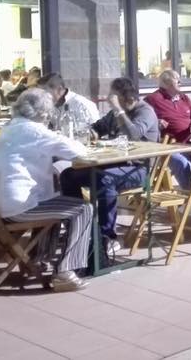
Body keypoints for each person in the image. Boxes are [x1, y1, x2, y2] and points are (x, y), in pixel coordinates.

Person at [0, 89, 91, 292]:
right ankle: (65, 272)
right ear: (44, 113)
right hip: (18, 207)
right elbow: (78, 151)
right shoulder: (33, 130)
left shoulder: (11, 127)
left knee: (53, 200)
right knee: (83, 209)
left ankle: (40, 258)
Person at [60, 78, 158, 254]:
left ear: (127, 98)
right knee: (69, 175)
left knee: (105, 179)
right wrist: (91, 133)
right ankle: (79, 228)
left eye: (114, 96)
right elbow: (98, 127)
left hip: (138, 169)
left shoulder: (145, 111)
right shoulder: (114, 114)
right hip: (112, 162)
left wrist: (119, 110)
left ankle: (108, 236)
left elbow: (133, 135)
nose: (110, 99)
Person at [143, 70, 191, 191]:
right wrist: (156, 122)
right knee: (182, 162)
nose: (181, 83)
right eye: (178, 81)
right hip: (165, 147)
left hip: (185, 144)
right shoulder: (153, 99)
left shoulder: (183, 98)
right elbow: (141, 119)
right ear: (167, 83)